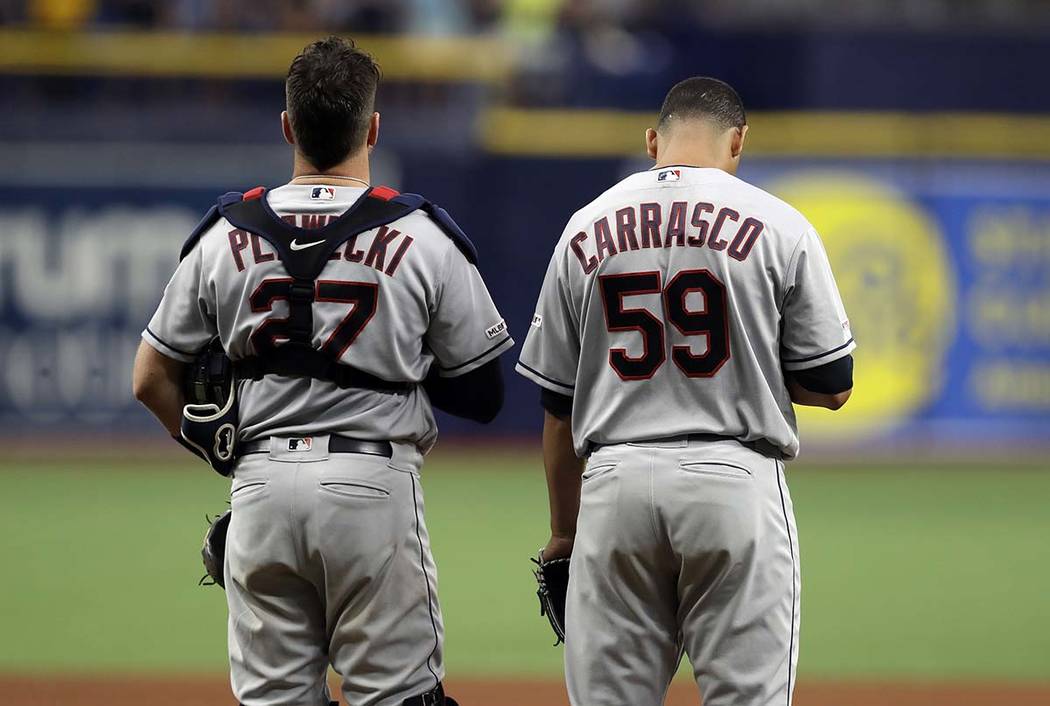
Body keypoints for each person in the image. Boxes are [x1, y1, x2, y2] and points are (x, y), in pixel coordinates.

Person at [132, 36, 513, 706]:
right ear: (372, 127)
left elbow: (148, 378)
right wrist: (398, 360)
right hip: (372, 485)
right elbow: (483, 392)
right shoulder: (422, 234)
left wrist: (219, 448)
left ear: (288, 127)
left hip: (261, 489)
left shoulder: (227, 232)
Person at [516, 76, 855, 706]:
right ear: (739, 143)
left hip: (614, 485)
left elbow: (558, 406)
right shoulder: (780, 224)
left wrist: (565, 531)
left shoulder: (585, 226)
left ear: (652, 141)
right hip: (733, 479)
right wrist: (746, 366)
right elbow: (832, 383)